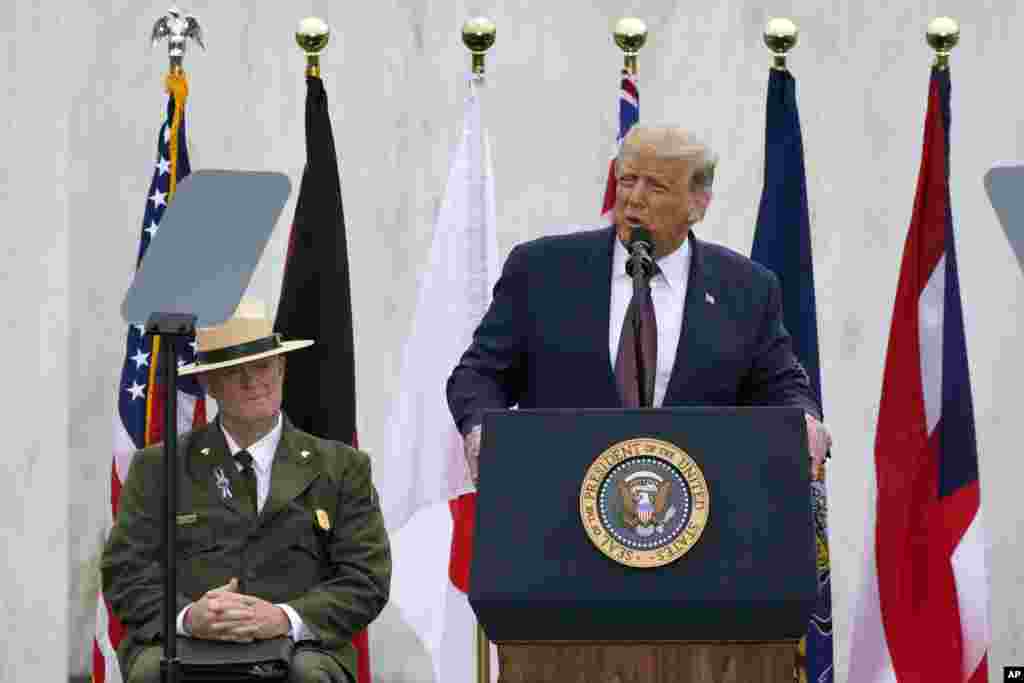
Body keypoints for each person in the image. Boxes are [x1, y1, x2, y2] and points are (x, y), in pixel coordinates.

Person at [447, 125, 831, 479]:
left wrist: (807, 421)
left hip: (696, 521)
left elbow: (781, 387)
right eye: (627, 180)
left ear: (697, 204)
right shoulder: (541, 271)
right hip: (557, 503)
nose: (633, 197)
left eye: (657, 187)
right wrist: (480, 427)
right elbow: (478, 375)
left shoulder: (746, 288)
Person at [102, 300, 391, 683]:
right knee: (152, 672)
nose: (253, 381)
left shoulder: (341, 467)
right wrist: (189, 618)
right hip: (188, 643)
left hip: (299, 648)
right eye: (234, 371)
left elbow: (366, 578)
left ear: (282, 368)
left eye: (262, 366)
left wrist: (284, 618)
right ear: (209, 383)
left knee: (309, 676)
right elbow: (126, 572)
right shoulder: (159, 467)